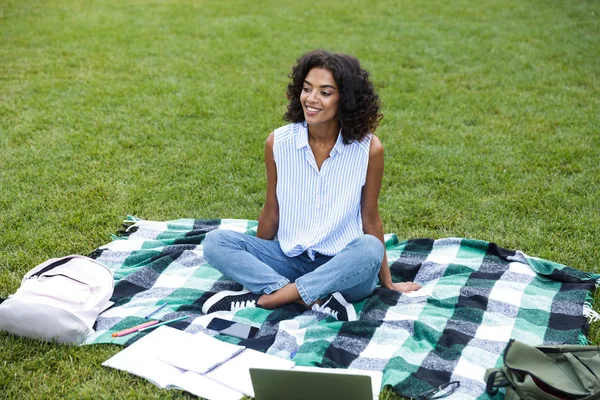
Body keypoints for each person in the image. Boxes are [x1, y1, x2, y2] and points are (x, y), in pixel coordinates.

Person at [202, 50, 421, 321]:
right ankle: (312, 299)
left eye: (325, 92)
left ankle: (269, 299)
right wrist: (256, 265)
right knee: (215, 241)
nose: (311, 99)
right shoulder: (278, 143)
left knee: (370, 247)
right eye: (307, 89)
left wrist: (388, 283)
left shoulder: (369, 149)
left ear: (345, 99)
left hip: (343, 271)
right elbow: (272, 209)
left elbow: (371, 218)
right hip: (291, 261)